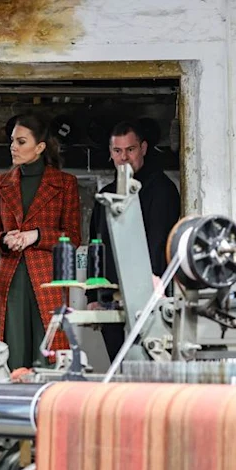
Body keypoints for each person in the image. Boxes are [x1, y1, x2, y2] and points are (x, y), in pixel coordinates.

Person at [0, 113, 82, 369]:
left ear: (39, 147)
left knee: (49, 356)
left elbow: (73, 237)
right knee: (11, 356)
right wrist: (4, 239)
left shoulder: (65, 183)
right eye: (12, 141)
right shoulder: (1, 182)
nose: (13, 147)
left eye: (21, 142)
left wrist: (36, 235)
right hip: (11, 282)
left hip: (49, 280)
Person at [88, 121, 181, 360]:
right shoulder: (105, 197)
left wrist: (153, 289)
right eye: (117, 151)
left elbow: (160, 246)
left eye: (130, 149)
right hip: (109, 300)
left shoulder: (162, 190)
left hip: (150, 299)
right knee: (119, 368)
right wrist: (93, 297)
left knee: (148, 366)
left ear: (143, 148)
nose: (124, 157)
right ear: (110, 153)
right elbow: (96, 247)